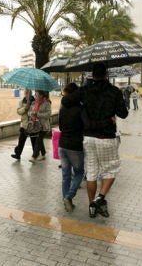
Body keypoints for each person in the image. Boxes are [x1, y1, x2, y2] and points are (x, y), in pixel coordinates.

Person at [62, 63, 128, 218]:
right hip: (107, 137)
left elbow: (66, 101)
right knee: (110, 170)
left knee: (91, 172)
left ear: (92, 75)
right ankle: (100, 198)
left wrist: (83, 106)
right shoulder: (114, 91)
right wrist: (112, 113)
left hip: (89, 137)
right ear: (106, 75)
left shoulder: (84, 91)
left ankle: (92, 206)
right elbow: (123, 114)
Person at [58, 83, 84, 212]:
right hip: (75, 145)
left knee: (65, 175)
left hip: (62, 145)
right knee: (79, 172)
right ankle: (69, 196)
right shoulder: (80, 109)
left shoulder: (63, 108)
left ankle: (66, 201)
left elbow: (61, 127)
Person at [11, 89, 36, 160]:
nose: (27, 94)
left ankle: (35, 155)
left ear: (31, 93)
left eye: (28, 93)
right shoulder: (22, 102)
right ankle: (17, 154)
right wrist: (25, 108)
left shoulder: (35, 102)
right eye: (26, 93)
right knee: (21, 141)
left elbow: (35, 111)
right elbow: (18, 111)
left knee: (34, 141)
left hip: (32, 125)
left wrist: (29, 109)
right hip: (24, 125)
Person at [28, 90, 51, 163]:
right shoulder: (34, 103)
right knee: (40, 140)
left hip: (43, 126)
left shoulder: (47, 103)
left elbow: (48, 114)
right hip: (35, 125)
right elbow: (29, 112)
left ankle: (34, 156)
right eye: (35, 94)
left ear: (41, 95)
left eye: (36, 95)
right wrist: (32, 113)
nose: (35, 96)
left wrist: (37, 114)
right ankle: (43, 154)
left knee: (38, 140)